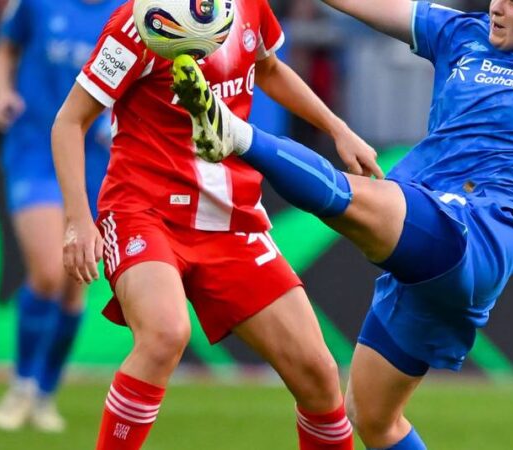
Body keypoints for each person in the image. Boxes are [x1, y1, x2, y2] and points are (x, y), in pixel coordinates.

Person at [171, 0, 513, 448]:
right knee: (374, 419)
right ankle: (240, 141)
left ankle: (235, 138)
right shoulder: (459, 32)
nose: (499, 7)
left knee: (358, 198)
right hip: (423, 237)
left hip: (475, 233)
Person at [51, 0, 381, 448]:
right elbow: (70, 120)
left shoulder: (251, 6)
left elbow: (267, 69)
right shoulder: (139, 20)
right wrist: (77, 220)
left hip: (231, 218)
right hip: (143, 211)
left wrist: (337, 127)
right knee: (165, 334)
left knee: (318, 374)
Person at [0, 0, 120, 432]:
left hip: (98, 162)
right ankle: (21, 385)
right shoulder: (37, 3)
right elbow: (7, 47)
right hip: (36, 148)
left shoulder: (130, 11)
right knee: (47, 271)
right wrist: (3, 92)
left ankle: (45, 393)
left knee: (75, 287)